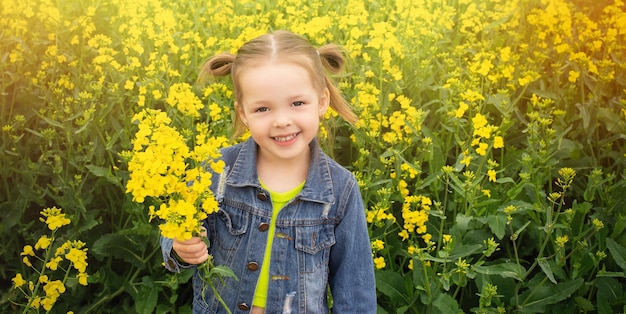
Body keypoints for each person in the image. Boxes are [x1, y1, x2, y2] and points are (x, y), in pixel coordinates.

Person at [161, 30, 376, 314]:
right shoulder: (216, 170)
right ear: (243, 114)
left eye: (297, 103)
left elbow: (355, 288)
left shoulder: (340, 188)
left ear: (322, 102)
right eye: (263, 109)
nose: (282, 121)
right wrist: (179, 247)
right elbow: (176, 228)